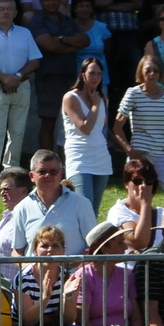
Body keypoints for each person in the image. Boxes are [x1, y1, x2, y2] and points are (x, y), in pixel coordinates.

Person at [0, 0, 41, 183]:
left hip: (21, 86)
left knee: (17, 130)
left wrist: (17, 76)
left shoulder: (25, 33)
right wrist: (4, 77)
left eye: (9, 9)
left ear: (15, 13)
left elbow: (35, 60)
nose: (5, 12)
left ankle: (11, 170)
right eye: (1, 9)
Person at [114, 53, 164, 202]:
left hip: (163, 153)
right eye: (148, 70)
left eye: (155, 70)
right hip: (140, 155)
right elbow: (117, 126)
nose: (152, 74)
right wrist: (129, 150)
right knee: (137, 199)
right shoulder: (133, 93)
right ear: (141, 72)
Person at [7, 150, 95, 263]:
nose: (48, 175)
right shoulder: (21, 208)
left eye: (53, 171)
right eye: (42, 171)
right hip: (34, 279)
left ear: (61, 173)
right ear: (32, 176)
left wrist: (69, 268)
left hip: (73, 277)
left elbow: (94, 246)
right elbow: (17, 251)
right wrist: (29, 270)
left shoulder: (81, 203)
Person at [27, 0, 85, 154]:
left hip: (69, 75)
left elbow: (84, 41)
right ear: (41, 1)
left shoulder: (67, 20)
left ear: (60, 0)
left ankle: (66, 161)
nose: (51, 3)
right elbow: (49, 45)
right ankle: (45, 161)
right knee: (49, 121)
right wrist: (69, 43)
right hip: (48, 76)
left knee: (70, 120)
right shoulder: (37, 21)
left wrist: (60, 40)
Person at [60, 57, 111, 214]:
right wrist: (95, 105)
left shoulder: (102, 98)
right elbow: (85, 128)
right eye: (91, 73)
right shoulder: (71, 98)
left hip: (100, 156)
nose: (95, 77)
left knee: (93, 211)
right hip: (79, 156)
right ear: (82, 74)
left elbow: (99, 128)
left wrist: (97, 103)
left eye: (99, 74)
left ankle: (92, 239)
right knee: (84, 208)